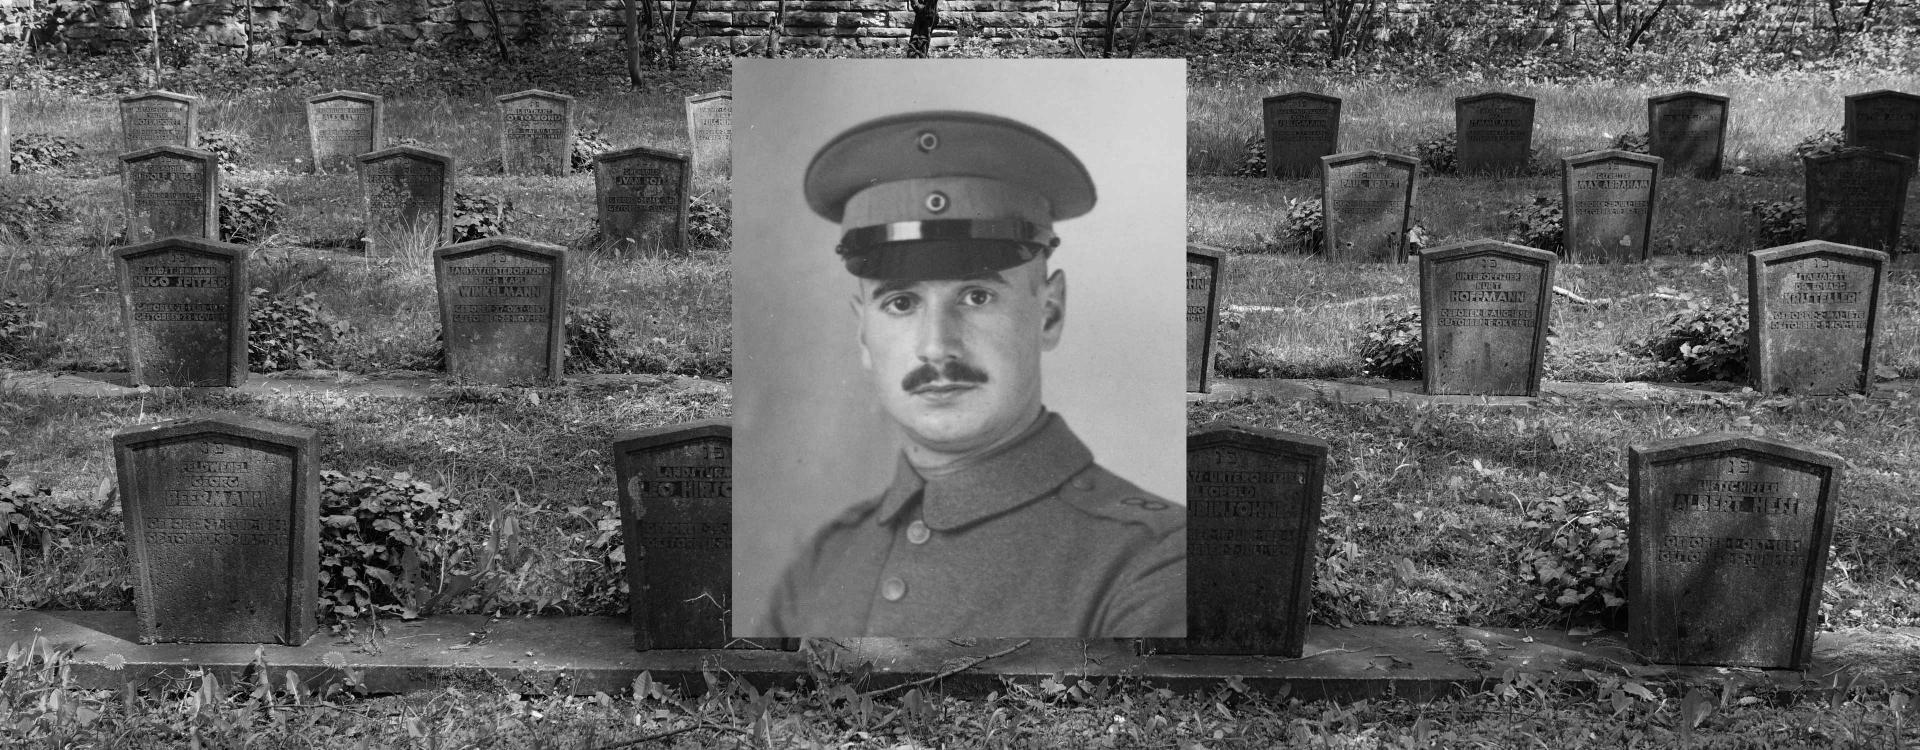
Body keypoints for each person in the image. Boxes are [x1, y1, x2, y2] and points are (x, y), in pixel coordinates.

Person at [762, 110, 1187, 638]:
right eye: (900, 303)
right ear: (862, 335)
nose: (938, 345)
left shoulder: (1157, 561)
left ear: (1049, 312)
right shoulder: (822, 563)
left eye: (977, 295)